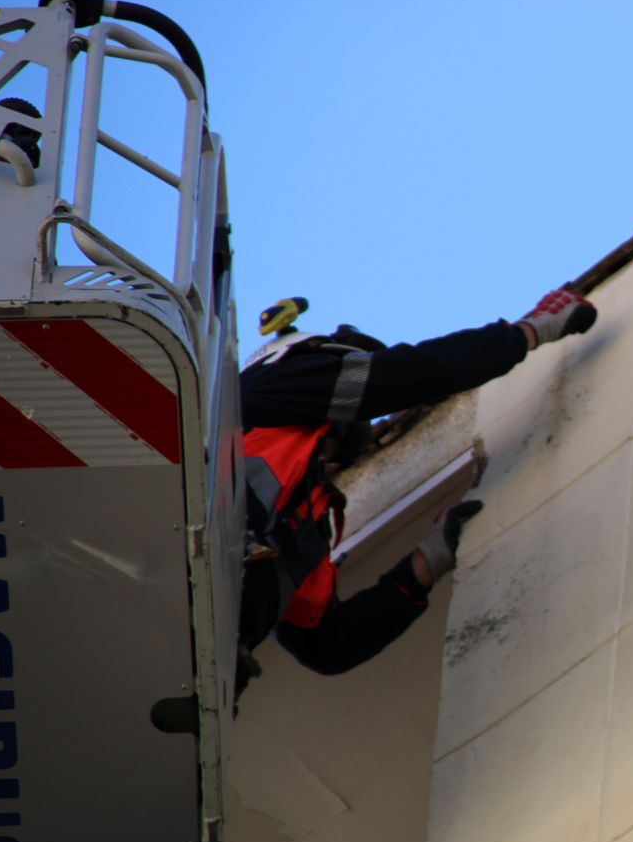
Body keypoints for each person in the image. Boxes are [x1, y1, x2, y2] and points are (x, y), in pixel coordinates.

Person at [234, 288, 596, 698]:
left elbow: (327, 644)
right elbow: (412, 375)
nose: (366, 426)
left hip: (212, 635)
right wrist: (527, 332)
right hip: (194, 567)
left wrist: (431, 558)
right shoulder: (277, 382)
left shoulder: (301, 524)